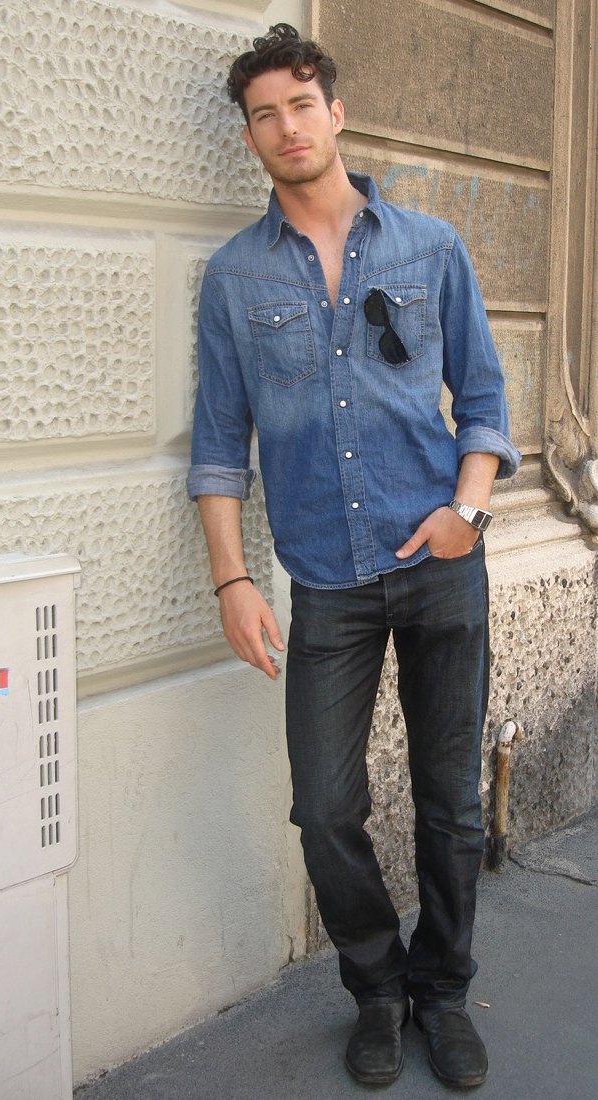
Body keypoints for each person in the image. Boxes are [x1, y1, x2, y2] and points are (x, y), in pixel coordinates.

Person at [188, 23, 520, 1089]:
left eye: (300, 104)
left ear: (335, 112)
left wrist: (467, 512)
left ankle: (444, 990)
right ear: (251, 137)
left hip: (441, 567)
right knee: (326, 809)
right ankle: (378, 989)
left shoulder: (431, 246)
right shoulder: (234, 277)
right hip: (326, 582)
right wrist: (234, 580)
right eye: (264, 115)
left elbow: (483, 398)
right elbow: (217, 444)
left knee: (449, 800)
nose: (286, 127)